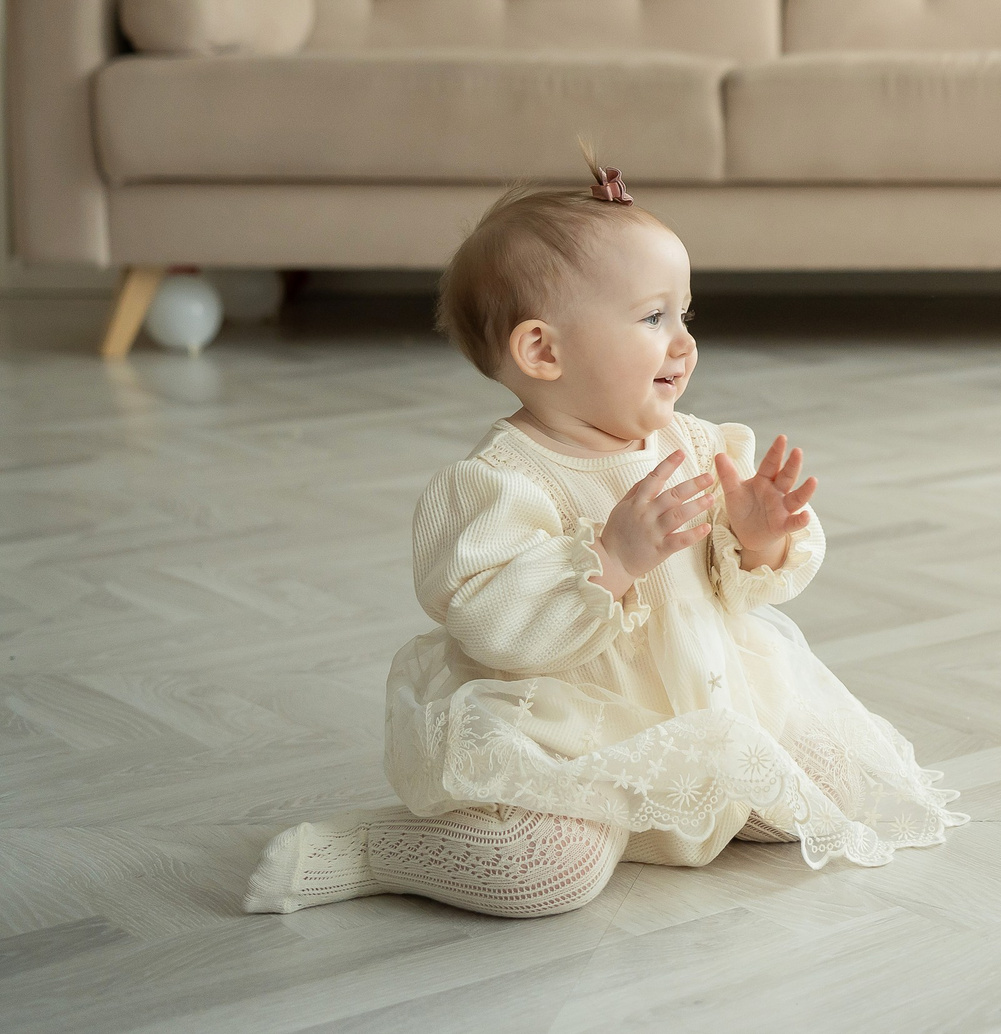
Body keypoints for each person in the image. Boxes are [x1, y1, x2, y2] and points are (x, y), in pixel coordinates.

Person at [245, 154, 961, 917]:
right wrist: (610, 559)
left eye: (687, 314)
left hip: (703, 708)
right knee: (542, 873)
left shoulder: (690, 444)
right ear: (543, 351)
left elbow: (733, 584)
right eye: (653, 318)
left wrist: (756, 539)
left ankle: (661, 814)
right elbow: (492, 623)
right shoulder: (500, 483)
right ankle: (373, 848)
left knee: (827, 781)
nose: (683, 343)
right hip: (571, 733)